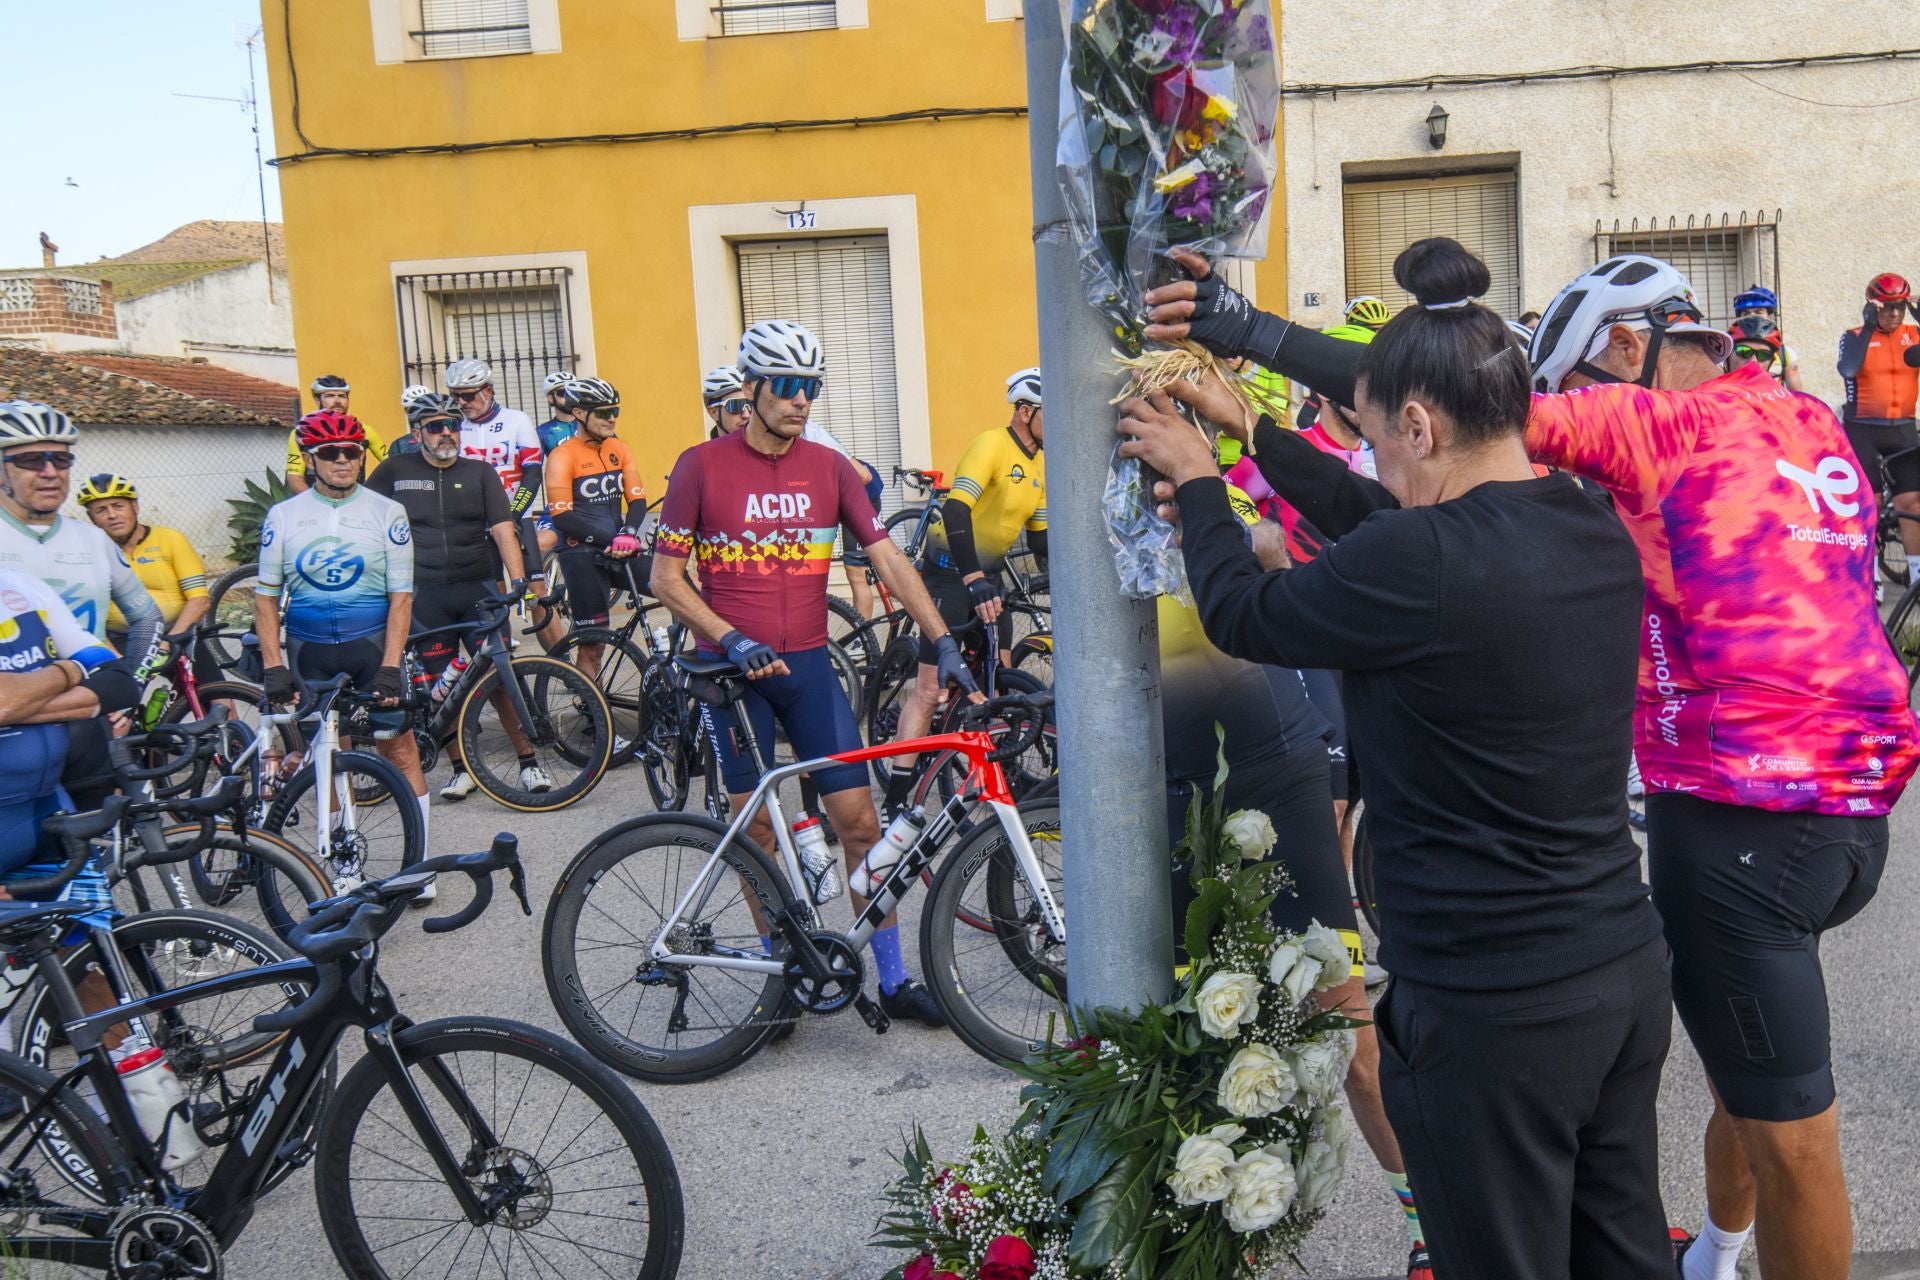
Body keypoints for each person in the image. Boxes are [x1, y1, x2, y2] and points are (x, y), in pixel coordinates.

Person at [1134, 238, 1676, 1279]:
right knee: (1623, 1256)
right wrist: (1253, 430)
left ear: (1420, 426)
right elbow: (1382, 519)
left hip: (1491, 1008)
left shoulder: (1418, 562)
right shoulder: (1585, 520)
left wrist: (1200, 482)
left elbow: (1245, 612)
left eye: (1378, 437)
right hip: (1617, 970)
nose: (1373, 459)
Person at [651, 319, 974, 1028]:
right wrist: (728, 637)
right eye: (789, 385)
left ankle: (892, 982)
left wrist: (942, 638)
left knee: (860, 824)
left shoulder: (828, 469)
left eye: (812, 387)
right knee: (757, 835)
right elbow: (666, 578)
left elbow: (888, 558)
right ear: (752, 388)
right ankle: (779, 983)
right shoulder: (700, 467)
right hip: (731, 674)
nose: (802, 400)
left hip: (806, 667)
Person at [255, 409, 429, 892]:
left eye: (351, 451)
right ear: (310, 459)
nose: (342, 460)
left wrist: (390, 666)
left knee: (399, 748)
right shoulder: (284, 516)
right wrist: (273, 666)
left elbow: (401, 597)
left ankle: (418, 866)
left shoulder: (386, 512)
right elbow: (265, 598)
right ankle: (346, 866)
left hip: (370, 647)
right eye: (329, 452)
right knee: (330, 756)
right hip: (309, 651)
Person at [366, 392, 549, 800]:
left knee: (498, 677)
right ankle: (460, 768)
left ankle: (528, 761)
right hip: (425, 594)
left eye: (453, 425)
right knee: (440, 685)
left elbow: (503, 528)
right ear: (417, 433)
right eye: (436, 426)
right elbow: (362, 518)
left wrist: (519, 582)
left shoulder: (480, 472)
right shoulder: (395, 470)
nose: (447, 432)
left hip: (477, 588)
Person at [0, 567, 143, 1045]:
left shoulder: (21, 586)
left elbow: (118, 681)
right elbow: (3, 701)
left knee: (87, 962)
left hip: (47, 815)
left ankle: (146, 1091)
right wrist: (70, 674)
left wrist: (29, 698)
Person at [0, 402, 163, 809]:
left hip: (91, 721)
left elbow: (147, 617)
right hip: (14, 739)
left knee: (105, 838)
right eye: (31, 460)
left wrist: (129, 689)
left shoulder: (92, 539)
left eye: (61, 459)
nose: (50, 471)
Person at [702, 362, 882, 621]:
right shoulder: (717, 450)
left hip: (864, 492)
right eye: (735, 406)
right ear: (713, 413)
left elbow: (863, 477)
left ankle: (861, 635)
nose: (745, 413)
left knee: (855, 573)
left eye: (748, 405)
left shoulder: (809, 433)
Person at [74, 472, 220, 691]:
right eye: (101, 510)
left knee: (221, 701)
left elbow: (199, 599)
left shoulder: (170, 539)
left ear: (135, 507)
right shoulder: (87, 553)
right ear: (92, 517)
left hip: (177, 633)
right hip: (123, 639)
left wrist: (170, 641)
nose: (112, 515)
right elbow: (86, 614)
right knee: (122, 705)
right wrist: (111, 656)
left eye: (118, 506)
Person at [543, 377, 647, 682]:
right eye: (603, 412)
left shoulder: (619, 447)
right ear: (579, 413)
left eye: (615, 411)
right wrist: (614, 538)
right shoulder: (562, 456)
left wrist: (628, 533)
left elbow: (637, 500)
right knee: (593, 645)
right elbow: (562, 517)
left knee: (677, 590)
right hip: (581, 554)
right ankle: (593, 706)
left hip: (619, 545)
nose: (612, 418)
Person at [1838, 272, 1920, 586]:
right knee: (1870, 506)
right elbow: (1848, 368)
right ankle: (1869, 579)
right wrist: (1870, 325)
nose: (1895, 314)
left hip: (1903, 431)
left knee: (1911, 506)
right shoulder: (1854, 336)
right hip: (1863, 431)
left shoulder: (1913, 334)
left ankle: (1916, 577)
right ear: (1873, 307)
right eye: (1887, 307)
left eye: (1900, 307)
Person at [444, 360, 544, 526]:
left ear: (488, 391)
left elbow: (533, 475)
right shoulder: (453, 427)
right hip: (470, 521)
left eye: (468, 396)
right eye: (455, 396)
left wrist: (513, 516)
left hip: (517, 515)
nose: (461, 402)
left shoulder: (517, 420)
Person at [287, 375, 389, 493]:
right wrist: (313, 501)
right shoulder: (302, 432)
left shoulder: (365, 430)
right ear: (317, 400)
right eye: (330, 396)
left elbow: (391, 463)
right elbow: (295, 477)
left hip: (355, 498)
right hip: (318, 496)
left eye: (342, 396)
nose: (337, 401)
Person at [1732, 286, 1805, 391]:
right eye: (1746, 313)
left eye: (1758, 312)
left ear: (1770, 317)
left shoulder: (1785, 353)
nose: (1752, 316)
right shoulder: (1728, 351)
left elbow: (1797, 394)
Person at [1727, 315, 1787, 383]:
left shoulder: (1780, 389)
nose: (1753, 361)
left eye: (1763, 355)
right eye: (1743, 351)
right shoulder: (1715, 388)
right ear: (1728, 355)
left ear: (1771, 361)